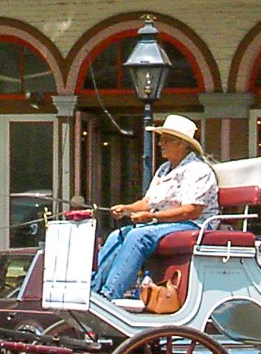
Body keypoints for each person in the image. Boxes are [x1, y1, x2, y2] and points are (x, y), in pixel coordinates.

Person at [90, 114, 218, 300]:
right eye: (160, 139)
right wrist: (127, 208)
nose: (160, 144)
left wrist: (152, 218)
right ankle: (93, 291)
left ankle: (110, 294)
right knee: (117, 235)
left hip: (194, 224)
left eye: (165, 140)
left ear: (182, 144)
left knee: (138, 236)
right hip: (165, 223)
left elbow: (191, 210)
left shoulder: (198, 170)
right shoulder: (164, 169)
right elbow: (148, 202)